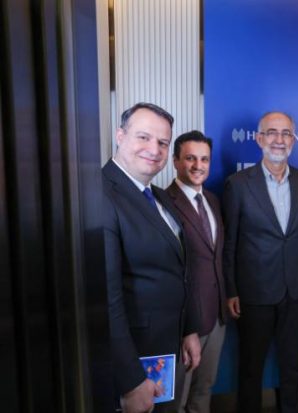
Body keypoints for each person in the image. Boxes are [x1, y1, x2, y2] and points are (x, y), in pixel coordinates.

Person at [222, 111, 298, 412]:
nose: (279, 140)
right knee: (251, 367)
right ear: (259, 139)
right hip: (254, 293)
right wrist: (231, 289)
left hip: (297, 291)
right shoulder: (238, 184)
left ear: (294, 139)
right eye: (272, 132)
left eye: (286, 133)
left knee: (293, 364)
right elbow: (230, 243)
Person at [102, 102, 201, 413]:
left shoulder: (157, 196)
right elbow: (107, 300)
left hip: (167, 347)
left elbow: (176, 271)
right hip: (133, 360)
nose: (154, 149)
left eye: (163, 142)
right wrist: (131, 381)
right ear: (120, 136)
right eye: (143, 137)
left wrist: (188, 329)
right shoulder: (100, 194)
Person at [166, 131, 228, 413]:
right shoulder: (164, 202)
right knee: (178, 396)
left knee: (204, 389)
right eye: (190, 158)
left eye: (204, 159)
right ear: (175, 161)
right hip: (185, 320)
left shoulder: (213, 200)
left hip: (216, 316)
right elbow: (170, 270)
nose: (198, 165)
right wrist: (186, 327)